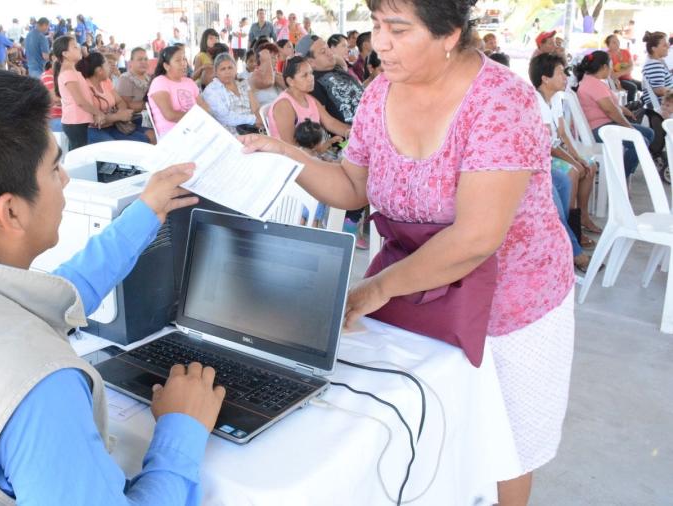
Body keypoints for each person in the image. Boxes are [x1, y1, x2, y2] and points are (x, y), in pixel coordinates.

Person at [244, 2, 575, 503]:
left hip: (512, 303)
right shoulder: (379, 94)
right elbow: (354, 185)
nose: (380, 42)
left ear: (451, 35)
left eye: (398, 29)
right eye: (377, 26)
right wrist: (287, 155)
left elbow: (476, 237)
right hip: (416, 287)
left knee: (503, 448)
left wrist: (376, 288)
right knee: (429, 430)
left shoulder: (501, 100)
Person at [0, 69, 225, 503]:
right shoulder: (40, 387)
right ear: (10, 212)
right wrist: (181, 430)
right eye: (54, 168)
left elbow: (55, 295)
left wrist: (145, 211)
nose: (65, 179)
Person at [530, 52, 598, 271]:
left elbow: (562, 134)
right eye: (560, 72)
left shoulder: (556, 98)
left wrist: (577, 157)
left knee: (588, 165)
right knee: (570, 173)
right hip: (542, 156)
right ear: (545, 78)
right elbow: (546, 146)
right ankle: (571, 230)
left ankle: (581, 218)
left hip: (551, 151)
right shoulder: (535, 102)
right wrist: (573, 162)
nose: (565, 77)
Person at [575, 50, 653, 179]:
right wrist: (629, 126)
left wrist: (623, 109)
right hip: (597, 129)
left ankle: (623, 169)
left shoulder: (591, 81)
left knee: (648, 133)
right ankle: (620, 178)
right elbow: (610, 111)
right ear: (605, 67)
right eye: (610, 65)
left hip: (603, 125)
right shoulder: (594, 84)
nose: (612, 68)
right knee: (639, 141)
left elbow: (609, 105)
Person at [268, 56, 349, 147]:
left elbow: (331, 123)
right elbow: (289, 145)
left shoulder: (309, 99)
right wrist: (319, 153)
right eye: (304, 75)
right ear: (290, 81)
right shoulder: (284, 105)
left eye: (311, 73)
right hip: (291, 158)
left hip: (312, 153)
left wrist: (357, 133)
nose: (311, 78)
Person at [77, 52, 149, 145]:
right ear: (99, 70)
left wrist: (122, 112)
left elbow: (120, 101)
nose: (110, 67)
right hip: (93, 129)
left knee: (143, 141)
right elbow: (94, 119)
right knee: (114, 150)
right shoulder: (85, 86)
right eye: (107, 64)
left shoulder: (106, 81)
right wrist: (118, 116)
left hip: (113, 125)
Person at [148, 45, 210, 138]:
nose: (183, 63)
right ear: (166, 66)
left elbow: (204, 106)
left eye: (184, 59)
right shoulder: (159, 82)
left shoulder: (189, 82)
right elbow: (170, 115)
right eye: (178, 60)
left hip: (195, 130)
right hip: (173, 135)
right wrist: (196, 118)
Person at [301, 36, 364, 124]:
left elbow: (340, 61)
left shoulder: (337, 68)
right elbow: (324, 121)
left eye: (327, 48)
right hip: (353, 130)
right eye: (323, 52)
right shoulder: (314, 82)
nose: (330, 53)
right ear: (311, 62)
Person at [201, 53, 262, 134]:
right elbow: (225, 117)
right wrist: (253, 120)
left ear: (236, 69)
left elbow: (256, 108)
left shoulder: (243, 84)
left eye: (230, 68)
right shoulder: (212, 90)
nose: (227, 72)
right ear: (216, 72)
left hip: (252, 128)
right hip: (230, 133)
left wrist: (259, 122)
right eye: (223, 69)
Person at [640, 31, 672, 169]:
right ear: (654, 48)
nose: (667, 47)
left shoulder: (657, 63)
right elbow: (659, 89)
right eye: (664, 45)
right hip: (664, 105)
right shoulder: (654, 64)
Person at [604, 34, 638, 103]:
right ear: (608, 45)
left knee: (643, 86)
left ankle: (640, 105)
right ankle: (630, 108)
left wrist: (619, 73)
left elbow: (631, 66)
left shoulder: (625, 52)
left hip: (629, 78)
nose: (617, 43)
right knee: (633, 87)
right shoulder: (607, 56)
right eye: (614, 42)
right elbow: (612, 75)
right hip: (618, 81)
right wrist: (619, 85)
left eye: (617, 41)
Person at [116, 47, 151, 116]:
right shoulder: (125, 78)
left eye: (146, 59)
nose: (143, 62)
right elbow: (127, 105)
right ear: (131, 62)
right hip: (136, 119)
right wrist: (153, 104)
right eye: (140, 59)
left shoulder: (148, 77)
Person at [248, 42, 282, 108]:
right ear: (262, 59)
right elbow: (268, 82)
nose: (276, 60)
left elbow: (289, 86)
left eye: (276, 57)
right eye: (272, 58)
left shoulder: (276, 74)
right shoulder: (254, 75)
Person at [40, 60, 64, 132]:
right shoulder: (47, 75)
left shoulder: (60, 75)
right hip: (56, 117)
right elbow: (55, 99)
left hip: (63, 117)